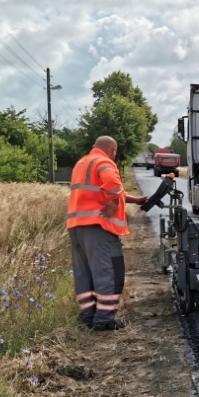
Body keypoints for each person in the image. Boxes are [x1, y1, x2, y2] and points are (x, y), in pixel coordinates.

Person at [67, 136, 148, 331]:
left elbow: (100, 191)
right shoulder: (104, 162)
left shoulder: (82, 163)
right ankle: (103, 320)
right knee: (108, 273)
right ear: (112, 150)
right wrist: (113, 203)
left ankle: (88, 316)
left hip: (77, 227)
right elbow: (111, 184)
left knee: (84, 274)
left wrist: (134, 200)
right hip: (99, 228)